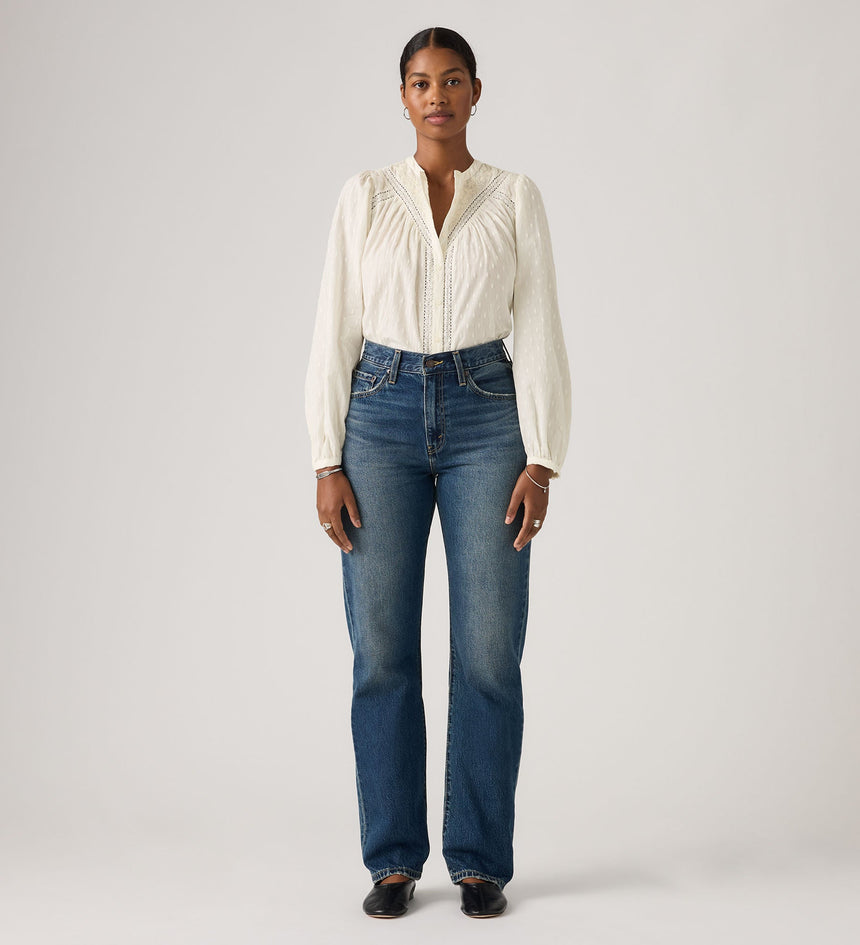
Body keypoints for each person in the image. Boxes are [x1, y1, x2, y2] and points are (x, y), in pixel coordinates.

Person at [304, 26, 571, 919]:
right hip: (377, 416)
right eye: (421, 83)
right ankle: (392, 859)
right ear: (403, 97)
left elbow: (540, 324)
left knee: (490, 649)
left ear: (476, 92)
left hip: (488, 415)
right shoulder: (364, 196)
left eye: (452, 80)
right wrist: (325, 456)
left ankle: (479, 859)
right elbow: (334, 326)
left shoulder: (515, 196)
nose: (437, 96)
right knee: (381, 648)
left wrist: (543, 456)